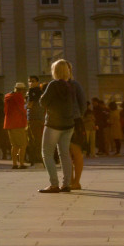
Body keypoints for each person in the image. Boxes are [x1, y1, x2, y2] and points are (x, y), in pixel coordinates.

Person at [37, 59, 84, 193]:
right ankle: (67, 184)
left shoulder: (53, 85)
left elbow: (43, 102)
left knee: (47, 153)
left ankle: (54, 184)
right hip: (69, 124)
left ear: (55, 71)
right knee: (65, 154)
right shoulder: (71, 86)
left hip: (53, 124)